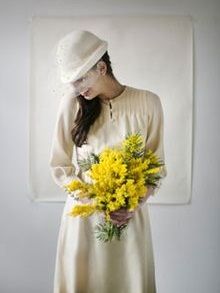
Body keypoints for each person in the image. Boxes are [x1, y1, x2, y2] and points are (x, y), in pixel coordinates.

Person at [49, 29, 167, 293]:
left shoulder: (149, 103)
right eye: (72, 83)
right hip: (82, 222)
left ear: (101, 68)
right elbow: (60, 165)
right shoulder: (72, 103)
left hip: (129, 219)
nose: (76, 89)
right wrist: (93, 200)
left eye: (80, 80)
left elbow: (156, 167)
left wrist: (133, 203)